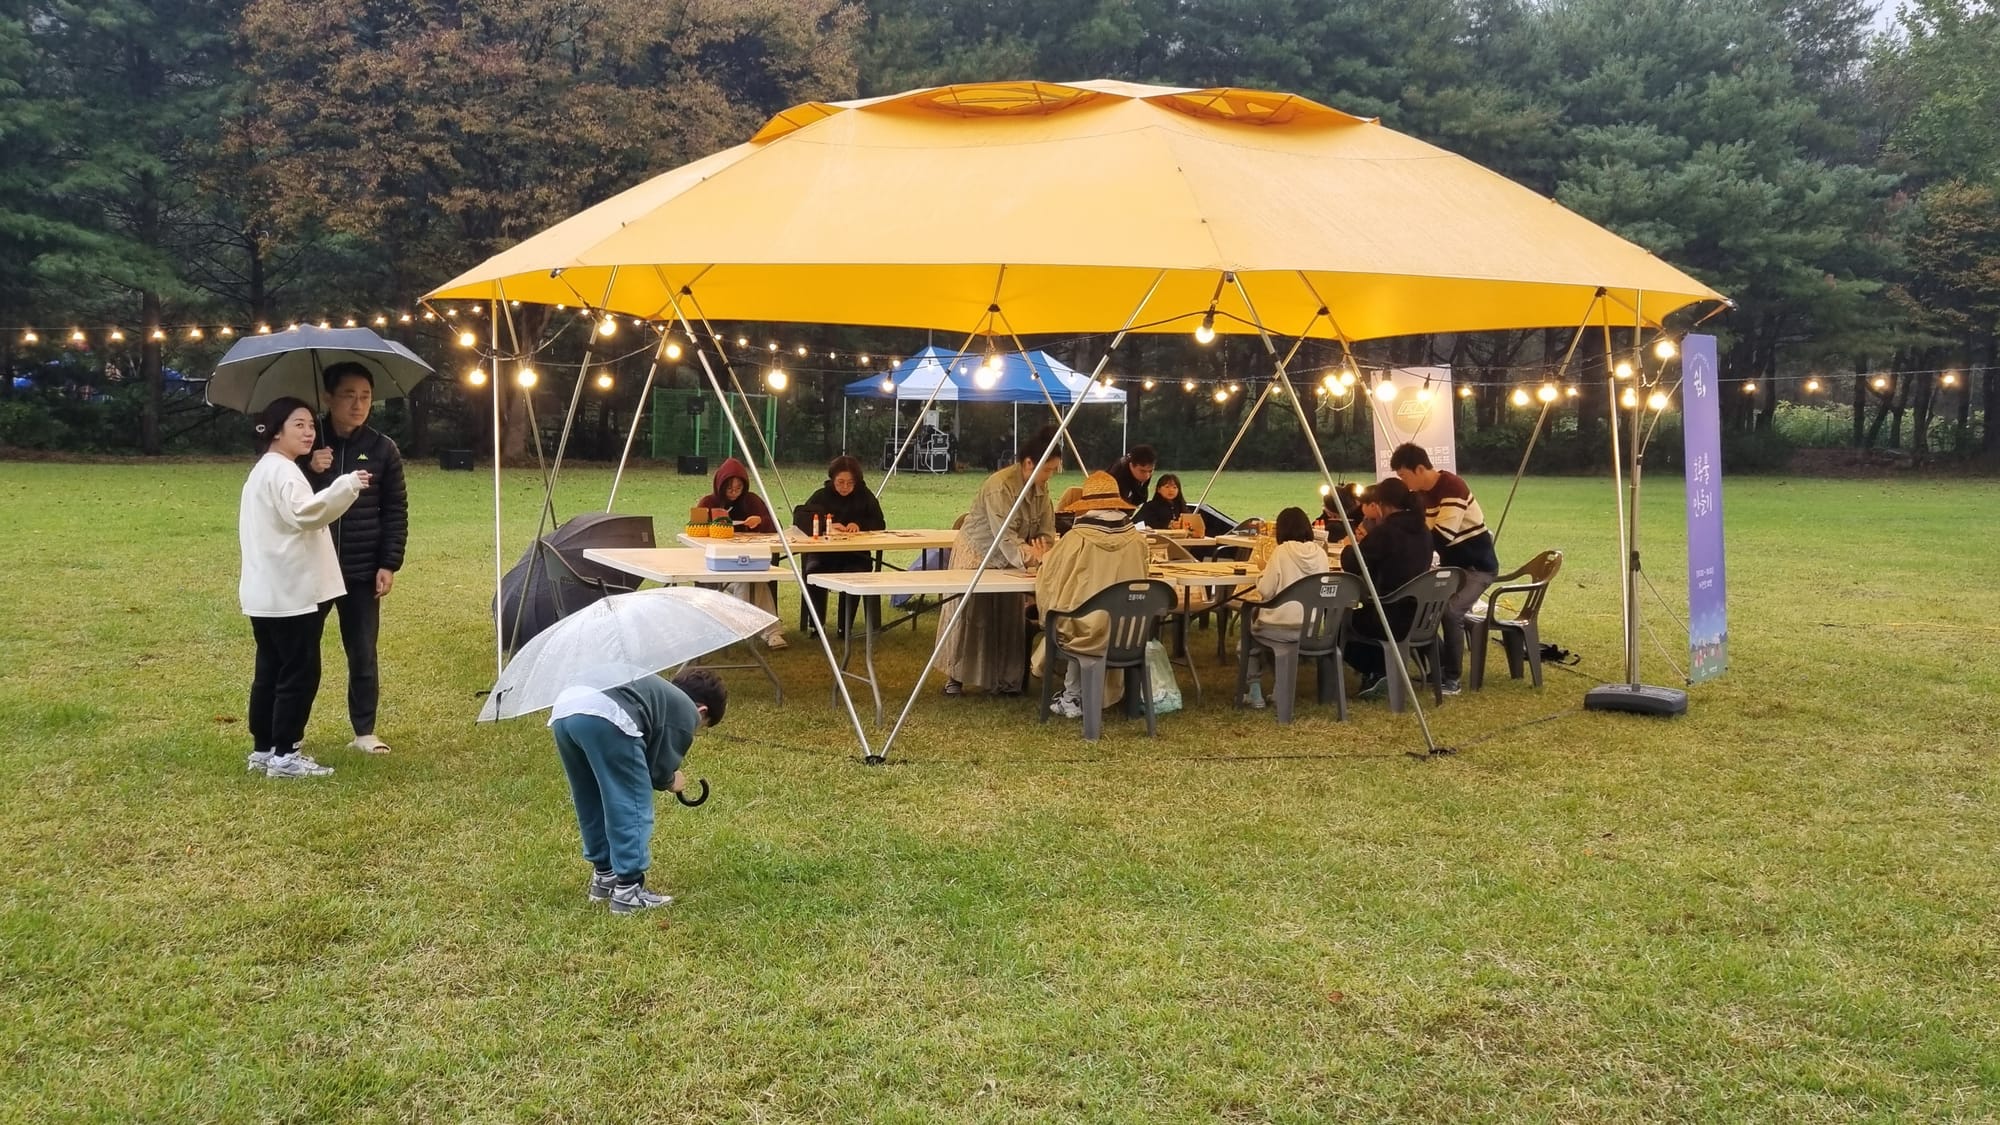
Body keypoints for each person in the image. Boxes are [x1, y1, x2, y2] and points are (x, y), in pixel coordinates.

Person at [239, 397, 370, 778]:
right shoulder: (282, 471)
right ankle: (286, 754)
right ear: (275, 430)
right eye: (298, 424)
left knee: (270, 670)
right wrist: (347, 485)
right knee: (299, 672)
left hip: (267, 593)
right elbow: (305, 514)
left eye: (312, 424)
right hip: (291, 594)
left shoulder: (265, 470)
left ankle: (264, 748)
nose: (309, 431)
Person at [549, 669, 726, 914]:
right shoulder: (686, 709)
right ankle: (628, 891)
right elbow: (658, 771)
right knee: (630, 800)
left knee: (589, 797)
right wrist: (672, 780)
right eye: (701, 727)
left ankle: (604, 877)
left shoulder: (652, 691)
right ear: (702, 711)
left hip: (565, 709)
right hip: (608, 716)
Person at [302, 363, 409, 755]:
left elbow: (395, 509)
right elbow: (286, 497)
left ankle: (364, 732)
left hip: (362, 571)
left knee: (363, 652)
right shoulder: (306, 441)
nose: (358, 404)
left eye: (365, 396)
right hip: (312, 567)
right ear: (328, 397)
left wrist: (388, 563)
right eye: (348, 395)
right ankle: (292, 732)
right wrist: (310, 468)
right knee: (302, 652)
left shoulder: (383, 448)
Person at [938, 423, 1061, 696]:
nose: (1050, 476)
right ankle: (955, 678)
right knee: (970, 616)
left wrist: (1043, 549)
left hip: (1014, 559)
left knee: (1007, 617)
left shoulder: (1041, 488)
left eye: (1053, 470)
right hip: (979, 553)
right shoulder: (999, 487)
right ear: (1029, 463)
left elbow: (1046, 528)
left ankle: (1006, 680)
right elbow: (1003, 537)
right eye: (1047, 469)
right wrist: (1032, 557)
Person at [1032, 471, 1150, 719]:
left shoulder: (1076, 539)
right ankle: (1074, 694)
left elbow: (1052, 582)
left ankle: (1072, 695)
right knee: (1086, 617)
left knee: (1071, 617)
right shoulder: (1138, 541)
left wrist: (1044, 561)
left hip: (1084, 631)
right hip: (1128, 632)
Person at [1389, 443, 1499, 695]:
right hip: (1454, 568)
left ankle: (1452, 678)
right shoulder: (1425, 495)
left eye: (1404, 475)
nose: (1404, 483)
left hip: (1477, 567)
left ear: (1419, 469)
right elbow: (1425, 535)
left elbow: (1440, 536)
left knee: (1451, 611)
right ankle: (1439, 666)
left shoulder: (1452, 487)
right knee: (1422, 607)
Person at [1338, 478, 1437, 698]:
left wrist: (1348, 547)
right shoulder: (1423, 530)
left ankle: (1377, 670)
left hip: (1390, 615)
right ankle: (1380, 672)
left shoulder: (1387, 532)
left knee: (1338, 624)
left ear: (1382, 504)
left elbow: (1354, 563)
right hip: (1422, 615)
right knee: (1365, 615)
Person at [1241, 506, 1331, 709]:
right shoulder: (1321, 554)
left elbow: (1265, 590)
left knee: (1246, 643)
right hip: (1312, 629)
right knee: (1275, 645)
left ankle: (1255, 693)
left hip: (1280, 627)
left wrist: (1263, 572)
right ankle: (1279, 690)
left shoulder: (1281, 552)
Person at [696, 457, 787, 648]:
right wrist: (717, 524)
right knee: (749, 579)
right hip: (717, 567)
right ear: (720, 486)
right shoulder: (708, 502)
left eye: (738, 489)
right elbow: (695, 530)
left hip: (748, 561)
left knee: (751, 578)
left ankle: (757, 630)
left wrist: (760, 521)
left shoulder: (752, 501)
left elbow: (776, 526)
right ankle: (760, 629)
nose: (734, 493)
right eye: (729, 489)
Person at [794, 455, 887, 639]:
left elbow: (880, 522)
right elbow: (801, 520)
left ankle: (845, 628)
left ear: (857, 482)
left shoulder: (865, 496)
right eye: (840, 482)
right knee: (813, 572)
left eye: (849, 483)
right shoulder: (821, 495)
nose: (845, 487)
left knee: (856, 574)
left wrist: (858, 525)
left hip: (855, 555)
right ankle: (816, 625)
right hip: (823, 555)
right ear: (832, 479)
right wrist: (827, 526)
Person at [1135, 472, 1204, 535]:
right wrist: (1168, 525)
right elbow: (1143, 523)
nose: (1171, 490)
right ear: (1158, 489)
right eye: (1167, 487)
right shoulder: (1150, 506)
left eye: (1175, 487)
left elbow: (1190, 524)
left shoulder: (1181, 506)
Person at [1107, 444, 1156, 509]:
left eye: (1150, 471)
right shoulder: (1116, 475)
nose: (1147, 476)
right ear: (1131, 466)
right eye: (1142, 471)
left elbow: (1141, 497)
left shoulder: (1144, 473)